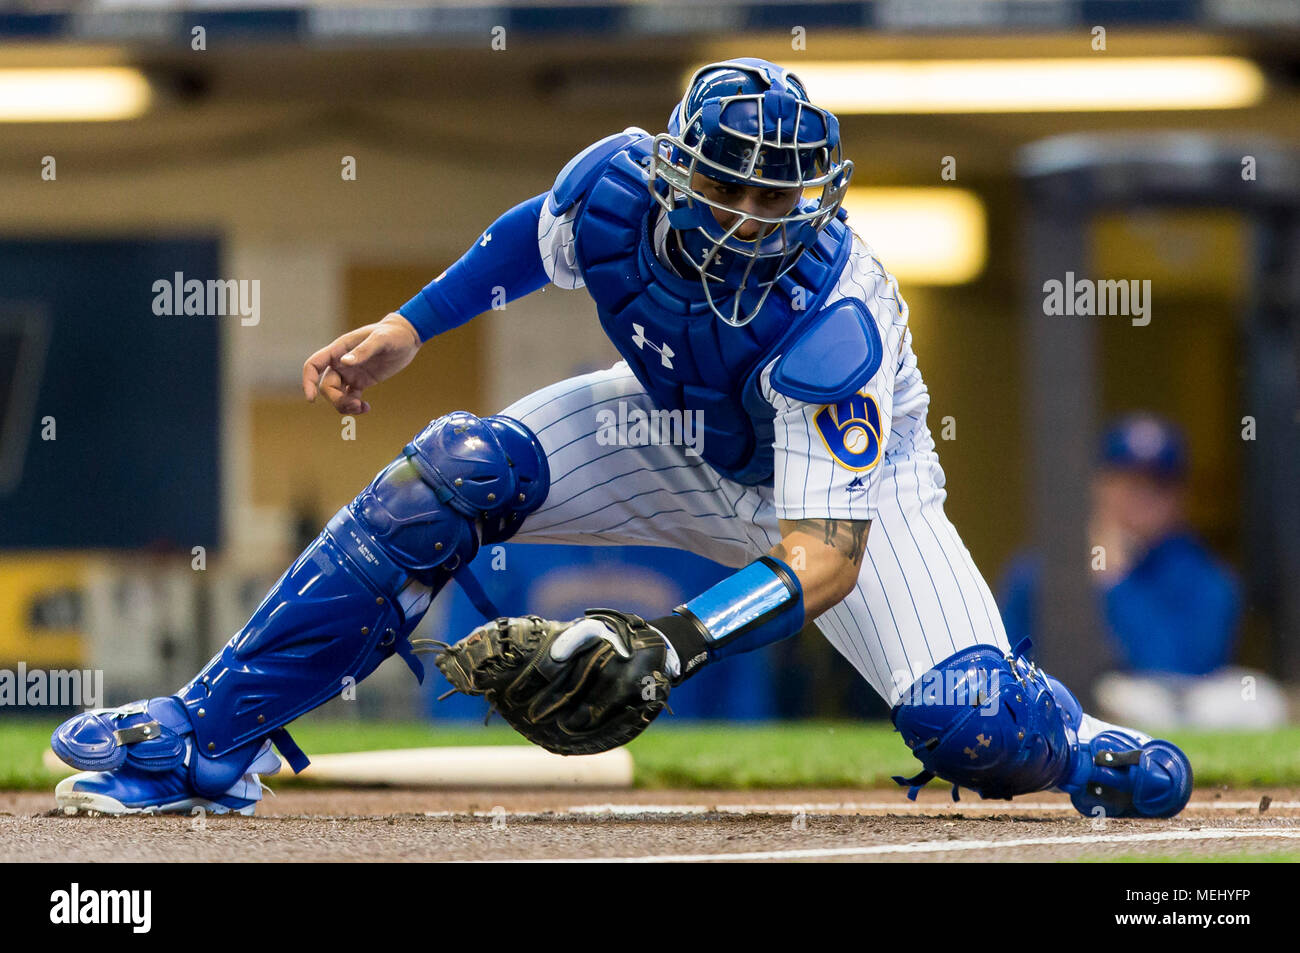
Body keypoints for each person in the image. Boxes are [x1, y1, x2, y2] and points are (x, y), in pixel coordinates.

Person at [51, 58, 1191, 819]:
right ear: (676, 166)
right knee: (449, 474)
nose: (753, 220)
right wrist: (409, 324)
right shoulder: (613, 190)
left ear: (821, 202)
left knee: (969, 719)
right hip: (666, 430)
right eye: (731, 188)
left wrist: (672, 642)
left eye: (780, 201)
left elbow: (821, 558)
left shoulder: (835, 316)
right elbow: (520, 242)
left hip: (844, 499)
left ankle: (1081, 742)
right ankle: (201, 739)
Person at [1001, 414, 1285, 729]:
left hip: (1170, 708)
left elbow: (1176, 668)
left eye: (1158, 485)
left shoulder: (1207, 577)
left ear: (1180, 497)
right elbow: (1007, 658)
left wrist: (1115, 582)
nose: (1143, 497)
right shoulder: (1041, 569)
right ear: (1098, 485)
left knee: (1254, 696)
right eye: (1129, 482)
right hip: (1063, 711)